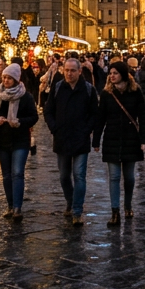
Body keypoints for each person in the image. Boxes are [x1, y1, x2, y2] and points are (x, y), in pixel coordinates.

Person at [45, 56, 99, 226]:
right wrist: (54, 127)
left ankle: (77, 210)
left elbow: (94, 114)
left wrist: (87, 129)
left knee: (79, 175)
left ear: (79, 71)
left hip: (80, 138)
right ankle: (70, 200)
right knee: (63, 176)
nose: (69, 73)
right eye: (66, 70)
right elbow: (48, 110)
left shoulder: (88, 89)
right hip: (62, 137)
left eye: (72, 71)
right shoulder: (58, 87)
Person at [94, 61, 145, 227]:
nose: (112, 76)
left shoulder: (135, 92)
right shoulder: (107, 94)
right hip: (112, 138)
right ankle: (115, 211)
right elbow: (100, 118)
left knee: (129, 177)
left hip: (131, 139)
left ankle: (128, 205)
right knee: (114, 177)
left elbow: (143, 116)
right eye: (110, 73)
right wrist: (96, 140)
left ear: (123, 74)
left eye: (115, 73)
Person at [0, 62, 37, 220]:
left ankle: (17, 207)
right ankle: (10, 205)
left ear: (16, 79)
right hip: (2, 140)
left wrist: (20, 122)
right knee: (6, 175)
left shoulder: (25, 96)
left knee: (17, 173)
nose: (5, 81)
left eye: (9, 78)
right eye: (4, 77)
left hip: (20, 140)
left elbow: (33, 117)